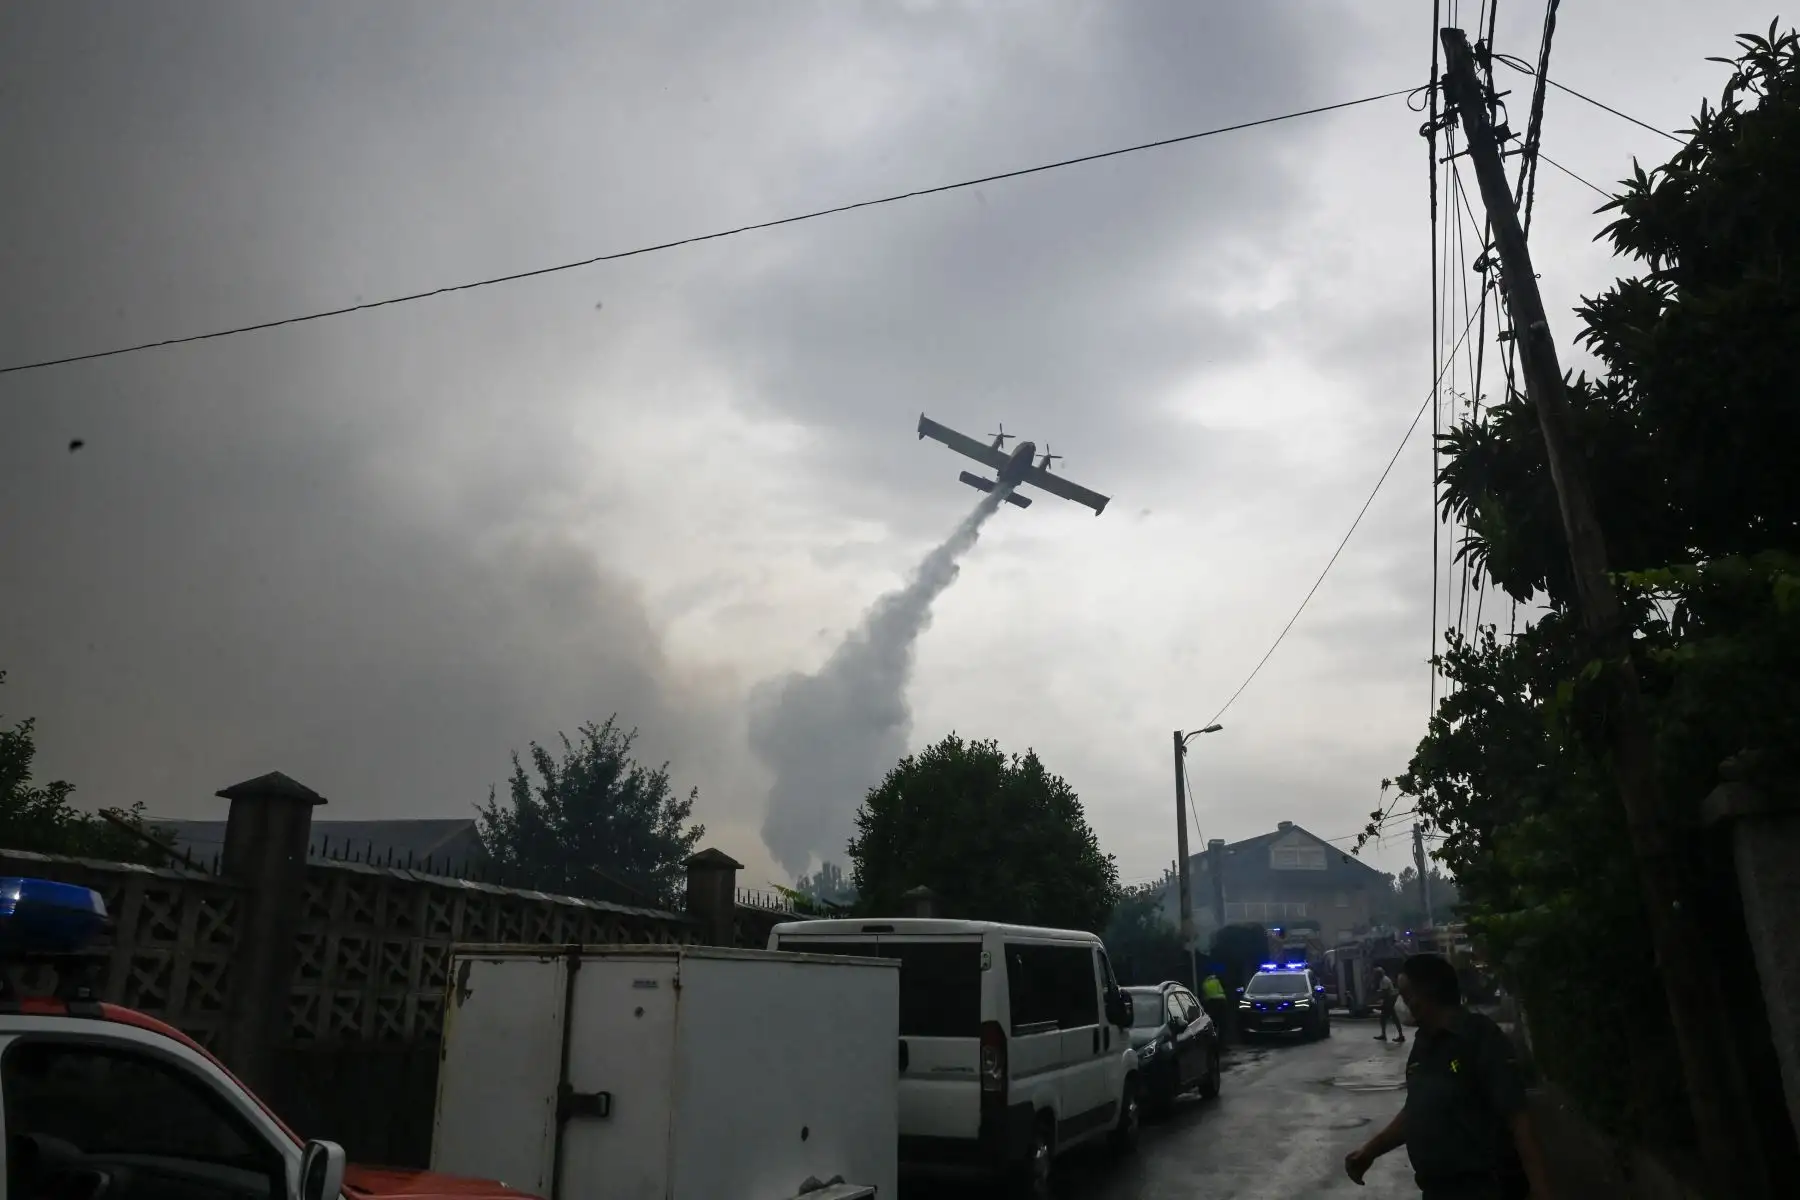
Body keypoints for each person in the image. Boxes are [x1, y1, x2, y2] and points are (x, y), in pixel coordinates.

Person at [1345, 953, 1552, 1200]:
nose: (1402, 1003)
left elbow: (1518, 1119)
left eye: (1406, 993)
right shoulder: (1424, 1042)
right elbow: (1417, 1110)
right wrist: (1369, 1152)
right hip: (1437, 1191)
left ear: (1427, 993)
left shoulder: (1479, 1038)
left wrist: (1540, 1190)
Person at [1374, 967, 1405, 1043]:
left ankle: (1397, 1035)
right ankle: (1398, 1035)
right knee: (1389, 1018)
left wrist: (1378, 997)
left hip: (1389, 1001)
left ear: (1379, 974)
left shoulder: (1384, 980)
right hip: (1389, 1001)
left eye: (1376, 974)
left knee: (1388, 1018)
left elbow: (1385, 992)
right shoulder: (1383, 979)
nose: (1375, 976)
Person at [1200, 971, 1229, 1040]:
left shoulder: (1204, 983)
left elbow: (1204, 997)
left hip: (1211, 1004)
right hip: (1221, 1002)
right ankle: (1222, 1044)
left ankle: (1213, 1043)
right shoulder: (1217, 980)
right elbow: (1225, 988)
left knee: (1213, 1024)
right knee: (1223, 1024)